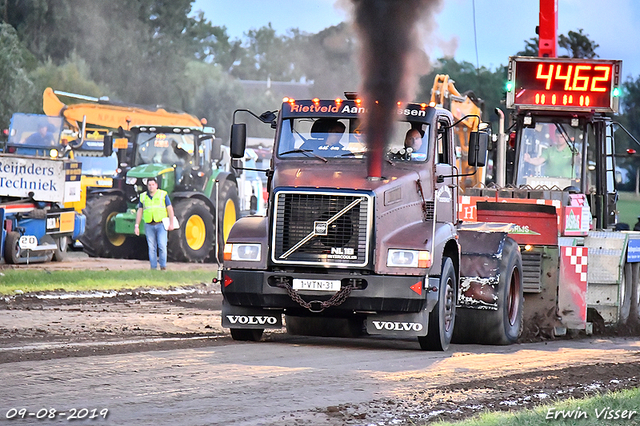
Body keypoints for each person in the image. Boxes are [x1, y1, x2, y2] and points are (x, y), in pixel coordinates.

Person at [134, 177, 176, 270]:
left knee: (162, 245)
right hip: (149, 225)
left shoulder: (163, 195)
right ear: (147, 186)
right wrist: (136, 225)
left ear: (156, 185)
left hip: (161, 224)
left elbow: (170, 209)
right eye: (149, 185)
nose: (151, 187)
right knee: (151, 247)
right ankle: (153, 267)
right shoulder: (143, 197)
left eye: (153, 185)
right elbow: (140, 211)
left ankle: (163, 266)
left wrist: (171, 223)